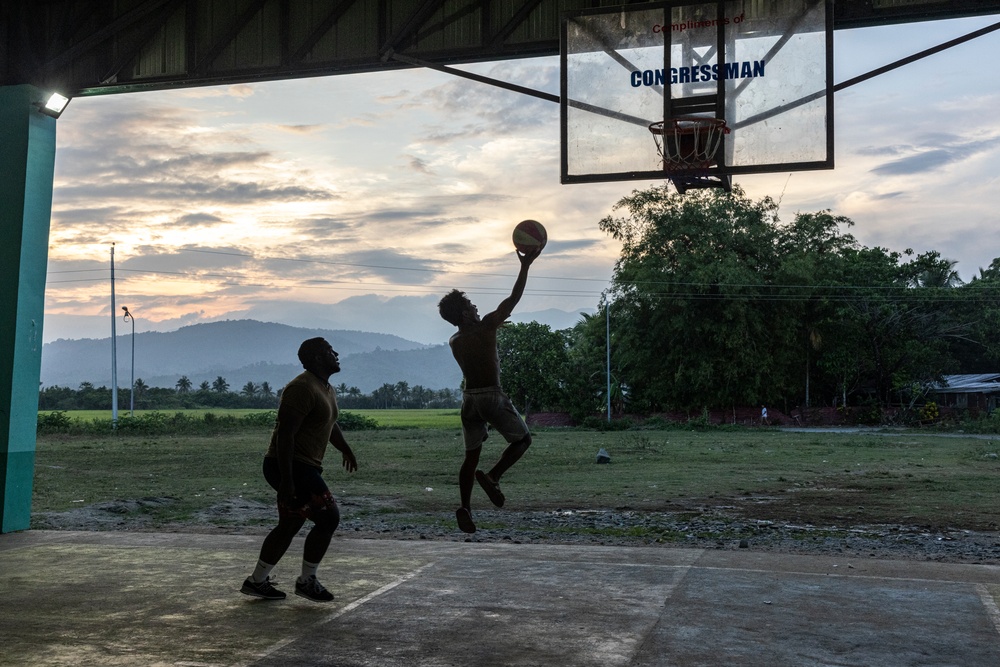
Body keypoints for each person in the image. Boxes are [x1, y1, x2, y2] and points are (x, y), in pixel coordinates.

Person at [240, 337, 358, 602]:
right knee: (329, 517)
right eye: (329, 350)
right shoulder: (301, 388)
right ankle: (306, 581)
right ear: (317, 357)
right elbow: (285, 435)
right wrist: (287, 481)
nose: (336, 353)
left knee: (290, 524)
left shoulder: (324, 387)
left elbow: (329, 423)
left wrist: (345, 449)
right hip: (291, 465)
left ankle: (257, 581)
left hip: (302, 466)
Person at [437, 245, 541, 533]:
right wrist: (525, 265)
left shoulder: (455, 340)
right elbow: (514, 298)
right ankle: (494, 476)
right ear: (465, 313)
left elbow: (477, 341)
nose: (476, 307)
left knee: (471, 457)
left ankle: (465, 507)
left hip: (469, 400)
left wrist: (490, 326)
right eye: (471, 305)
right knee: (523, 440)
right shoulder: (485, 327)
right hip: (491, 396)